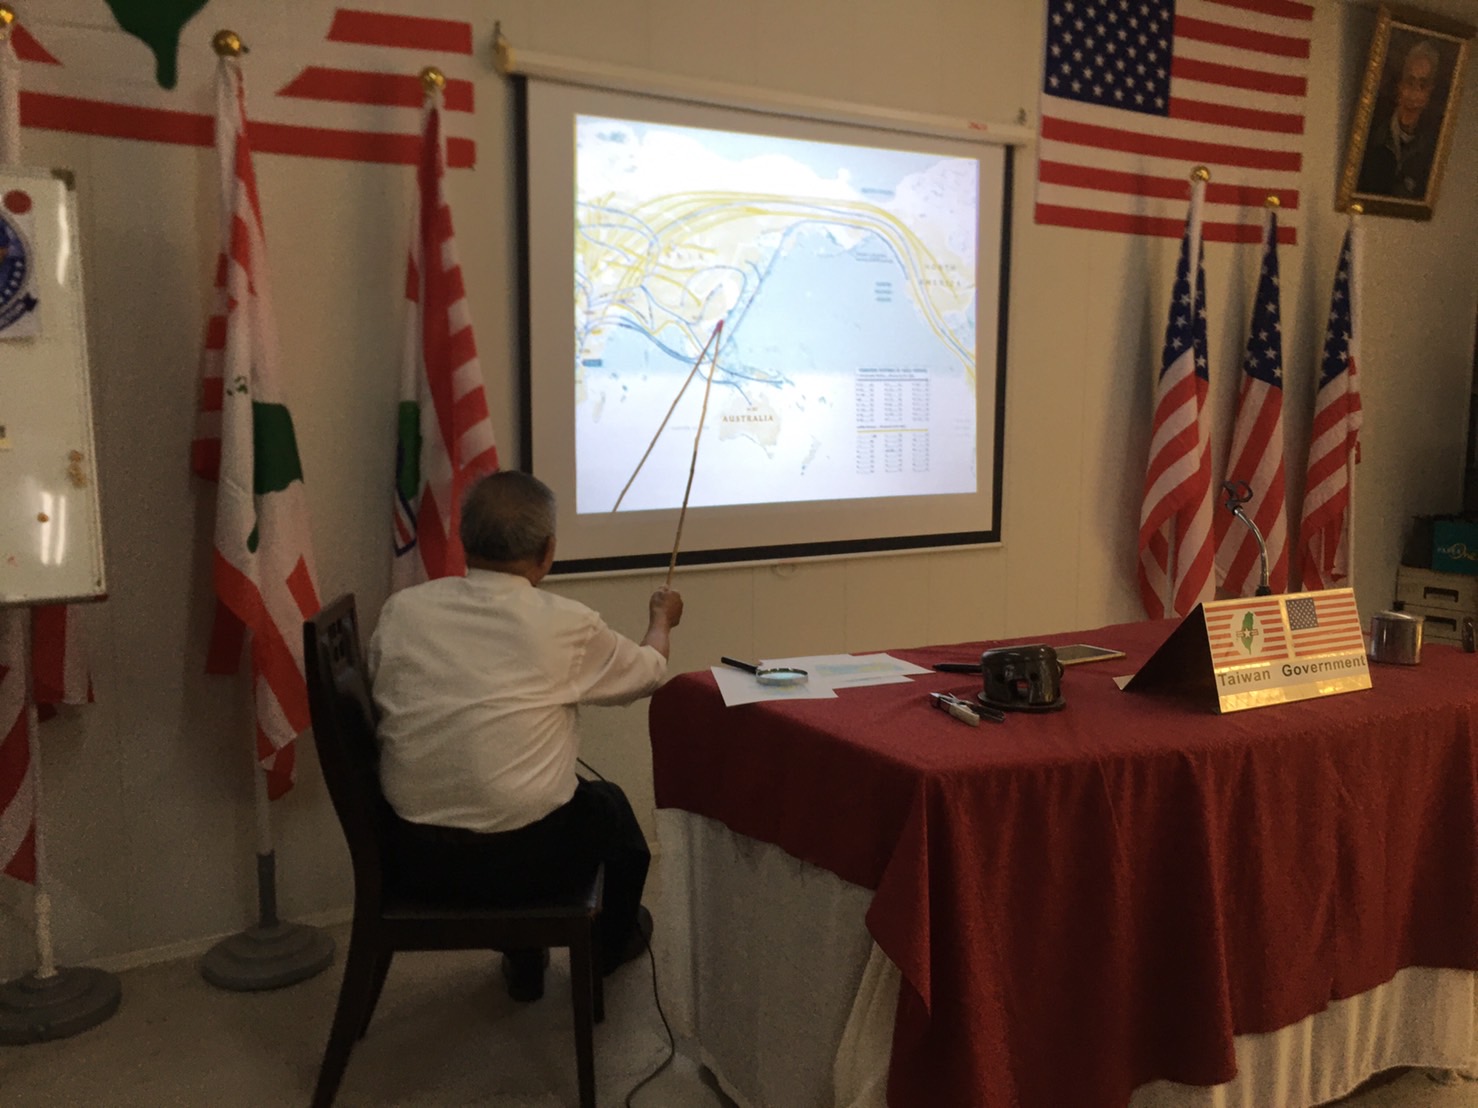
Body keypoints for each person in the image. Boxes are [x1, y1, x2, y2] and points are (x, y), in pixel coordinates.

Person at [367, 470, 684, 1001]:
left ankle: (524, 954)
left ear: (464, 540)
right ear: (548, 551)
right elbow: (648, 672)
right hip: (524, 867)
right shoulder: (566, 623)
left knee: (558, 806)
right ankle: (608, 948)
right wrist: (662, 620)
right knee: (614, 816)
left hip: (412, 855)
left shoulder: (402, 609)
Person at [1357, 38, 1443, 199]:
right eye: (1410, 82)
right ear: (1399, 86)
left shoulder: (1433, 147)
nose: (1414, 95)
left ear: (1430, 93)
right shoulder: (1371, 133)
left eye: (1422, 86)